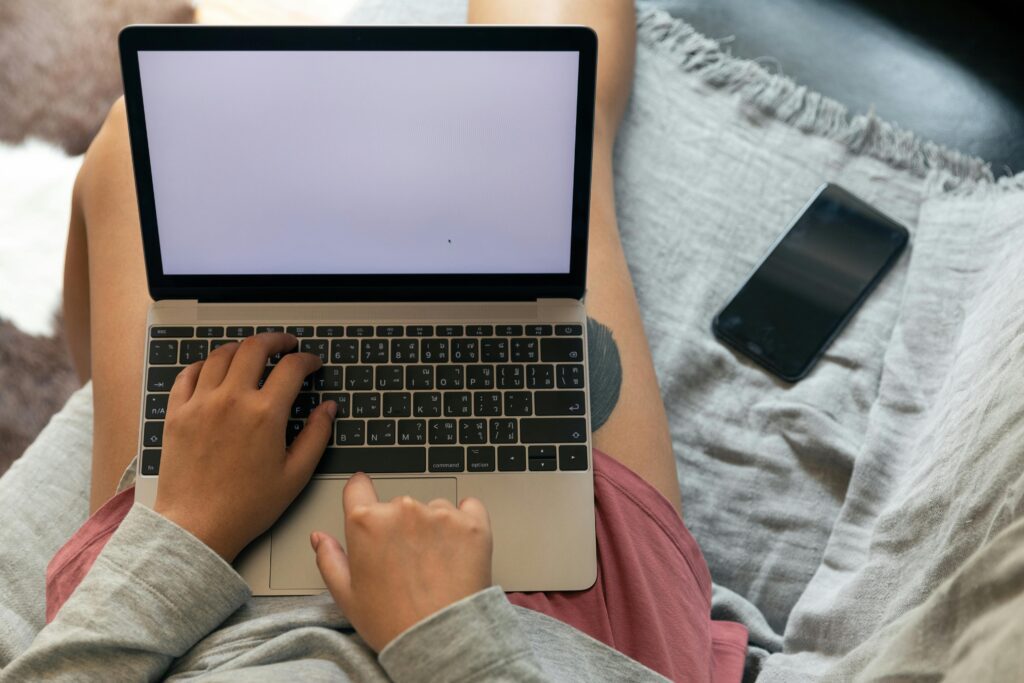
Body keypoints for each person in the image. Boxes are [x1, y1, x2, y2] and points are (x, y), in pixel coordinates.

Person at [2, 1, 747, 681]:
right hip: (548, 646)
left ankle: (98, 400)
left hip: (192, 622)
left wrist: (184, 527)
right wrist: (448, 639)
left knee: (138, 141)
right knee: (555, 147)